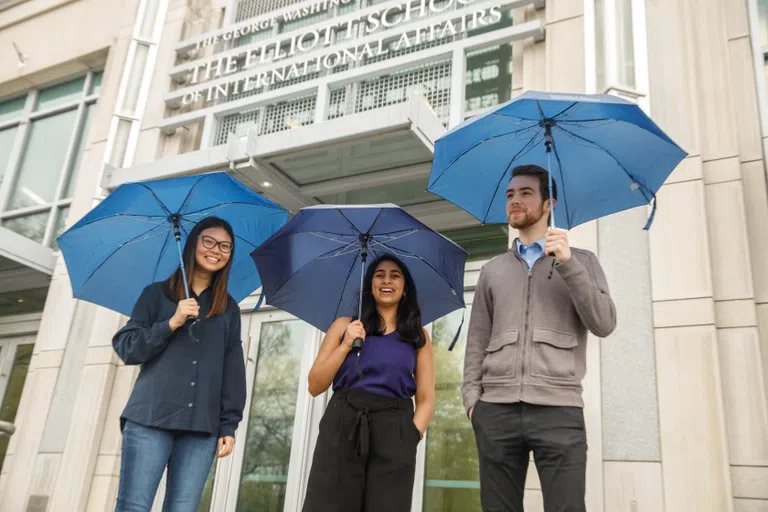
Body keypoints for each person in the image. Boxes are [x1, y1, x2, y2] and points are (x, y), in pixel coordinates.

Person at [463, 164, 616, 512]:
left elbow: (604, 323)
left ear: (549, 204)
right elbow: (477, 341)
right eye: (510, 194)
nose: (515, 201)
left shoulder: (583, 262)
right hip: (496, 411)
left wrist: (568, 264)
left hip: (559, 410)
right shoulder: (492, 270)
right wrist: (473, 399)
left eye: (526, 193)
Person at [112, 216, 246, 512]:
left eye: (225, 246)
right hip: (150, 418)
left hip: (201, 428)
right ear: (193, 245)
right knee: (134, 506)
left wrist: (229, 425)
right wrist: (171, 322)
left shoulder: (229, 308)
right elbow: (127, 348)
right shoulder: (156, 294)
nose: (216, 250)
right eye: (208, 241)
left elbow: (233, 369)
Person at [302, 253, 435, 512]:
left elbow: (426, 398)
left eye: (395, 276)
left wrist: (412, 435)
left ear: (405, 287)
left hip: (395, 429)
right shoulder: (344, 325)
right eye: (380, 275)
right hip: (343, 423)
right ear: (370, 285)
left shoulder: (418, 335)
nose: (387, 281)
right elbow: (314, 385)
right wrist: (345, 344)